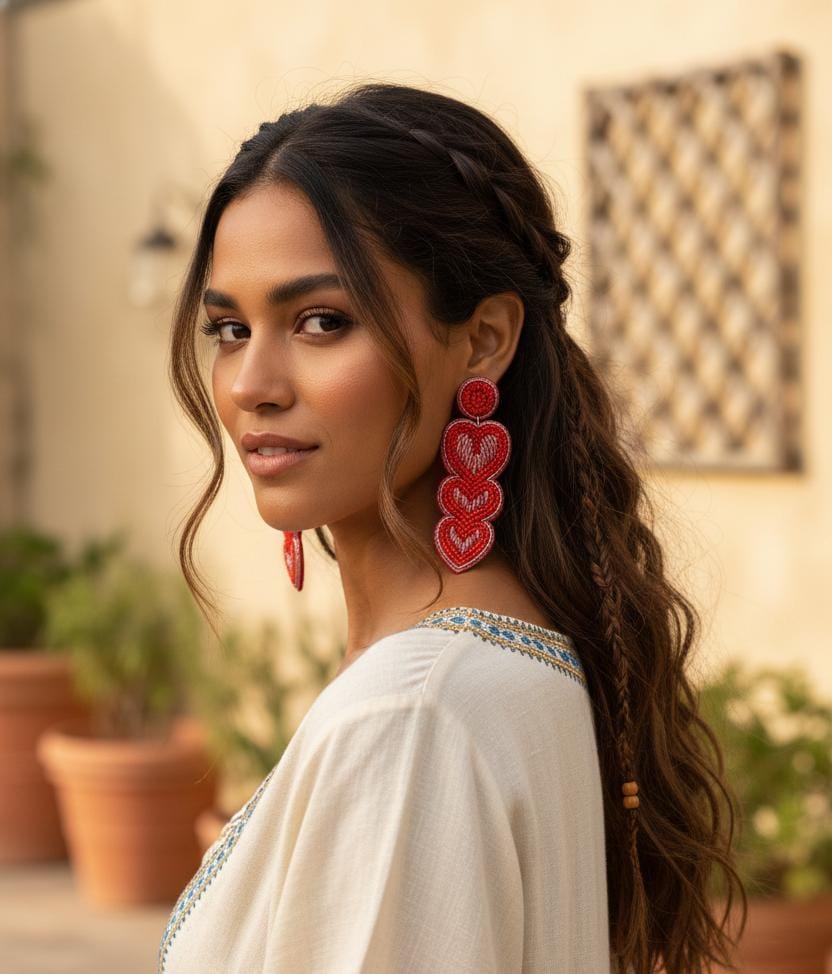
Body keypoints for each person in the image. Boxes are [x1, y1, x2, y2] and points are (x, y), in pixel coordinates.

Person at [159, 81, 746, 974]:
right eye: (230, 328)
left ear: (483, 340)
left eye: (321, 321)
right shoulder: (502, 661)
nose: (250, 384)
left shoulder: (411, 715)